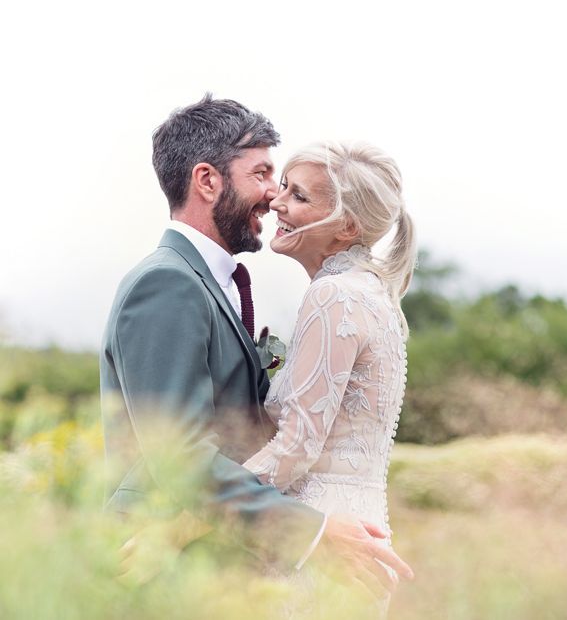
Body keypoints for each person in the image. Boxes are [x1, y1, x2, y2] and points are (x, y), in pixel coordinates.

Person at [100, 95, 413, 597]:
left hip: (235, 559)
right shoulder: (167, 284)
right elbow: (179, 454)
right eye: (264, 175)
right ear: (208, 181)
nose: (273, 196)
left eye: (287, 186)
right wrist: (309, 530)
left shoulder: (323, 293)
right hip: (163, 566)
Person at [242, 140, 417, 615]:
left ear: (347, 227)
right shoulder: (374, 295)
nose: (276, 202)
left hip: (321, 537)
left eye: (298, 196)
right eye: (282, 189)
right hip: (359, 522)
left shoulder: (334, 296)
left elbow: (297, 446)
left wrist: (197, 511)